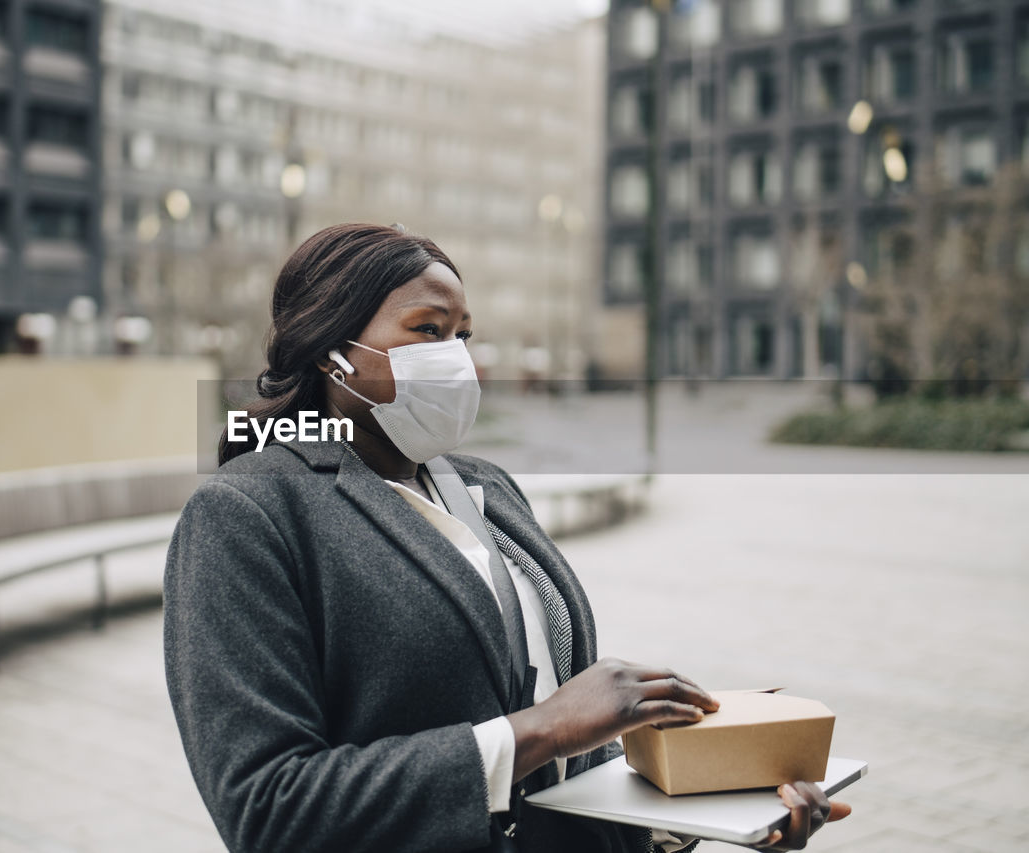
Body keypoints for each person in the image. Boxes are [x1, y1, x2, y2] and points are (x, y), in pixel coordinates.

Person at [163, 223, 849, 852]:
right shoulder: (246, 512)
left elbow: (559, 764)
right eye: (427, 329)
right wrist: (543, 727)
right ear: (331, 352)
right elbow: (268, 810)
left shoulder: (482, 486)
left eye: (462, 333)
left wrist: (702, 803)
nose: (456, 357)